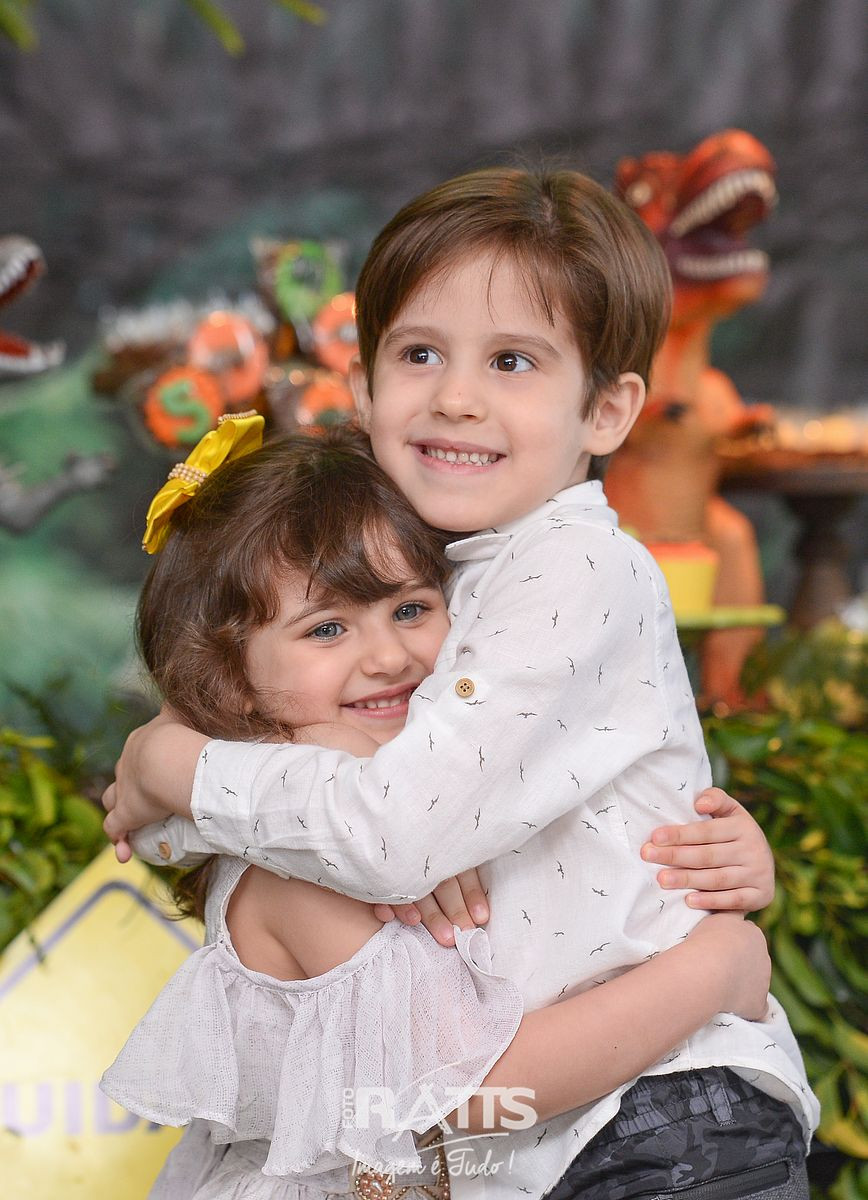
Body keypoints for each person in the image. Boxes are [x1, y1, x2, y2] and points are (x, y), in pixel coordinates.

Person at [104, 168, 818, 1198]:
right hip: (526, 1125)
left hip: (654, 1113)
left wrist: (171, 764)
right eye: (420, 354)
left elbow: (390, 836)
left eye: (513, 360)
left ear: (607, 410)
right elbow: (189, 830)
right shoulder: (421, 566)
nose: (455, 397)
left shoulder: (571, 571)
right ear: (364, 385)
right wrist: (182, 759)